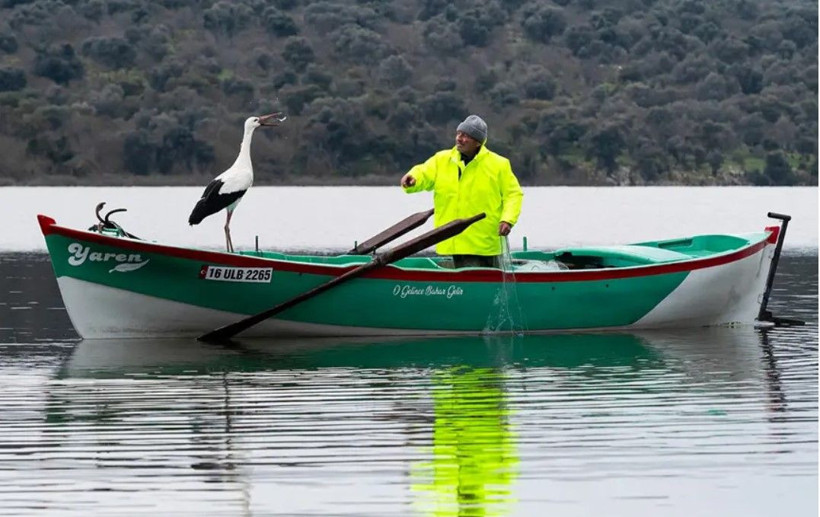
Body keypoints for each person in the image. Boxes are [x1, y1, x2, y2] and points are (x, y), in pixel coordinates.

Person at [400, 114, 523, 269]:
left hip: (485, 243)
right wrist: (413, 179)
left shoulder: (499, 165)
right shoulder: (441, 159)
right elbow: (423, 172)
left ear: (478, 142)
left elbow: (513, 194)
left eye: (466, 136)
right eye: (459, 134)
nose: (459, 138)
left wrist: (507, 220)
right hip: (449, 241)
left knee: (486, 285)